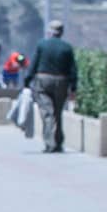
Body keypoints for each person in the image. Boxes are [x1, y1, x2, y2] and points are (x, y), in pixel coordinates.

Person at [23, 20, 77, 153]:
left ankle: (50, 143)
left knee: (48, 113)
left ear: (49, 31)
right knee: (58, 113)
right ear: (61, 32)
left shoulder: (42, 45)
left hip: (43, 80)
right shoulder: (67, 47)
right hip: (62, 82)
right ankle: (58, 142)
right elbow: (73, 69)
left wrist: (27, 80)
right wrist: (73, 86)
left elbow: (34, 64)